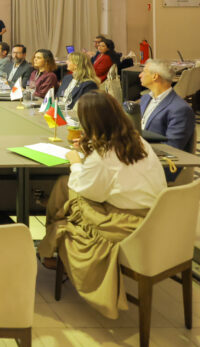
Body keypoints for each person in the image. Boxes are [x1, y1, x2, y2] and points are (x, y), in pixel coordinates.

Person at [38, 92, 167, 319]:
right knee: (65, 188)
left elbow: (88, 190)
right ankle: (48, 247)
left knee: (65, 187)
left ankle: (50, 245)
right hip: (156, 221)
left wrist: (76, 161)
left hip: (126, 225)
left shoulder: (105, 155)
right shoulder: (140, 142)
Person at [139, 59, 196, 180]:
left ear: (155, 76)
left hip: (161, 166)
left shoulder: (180, 109)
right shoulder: (145, 99)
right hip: (141, 158)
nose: (140, 75)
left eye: (144, 71)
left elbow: (171, 149)